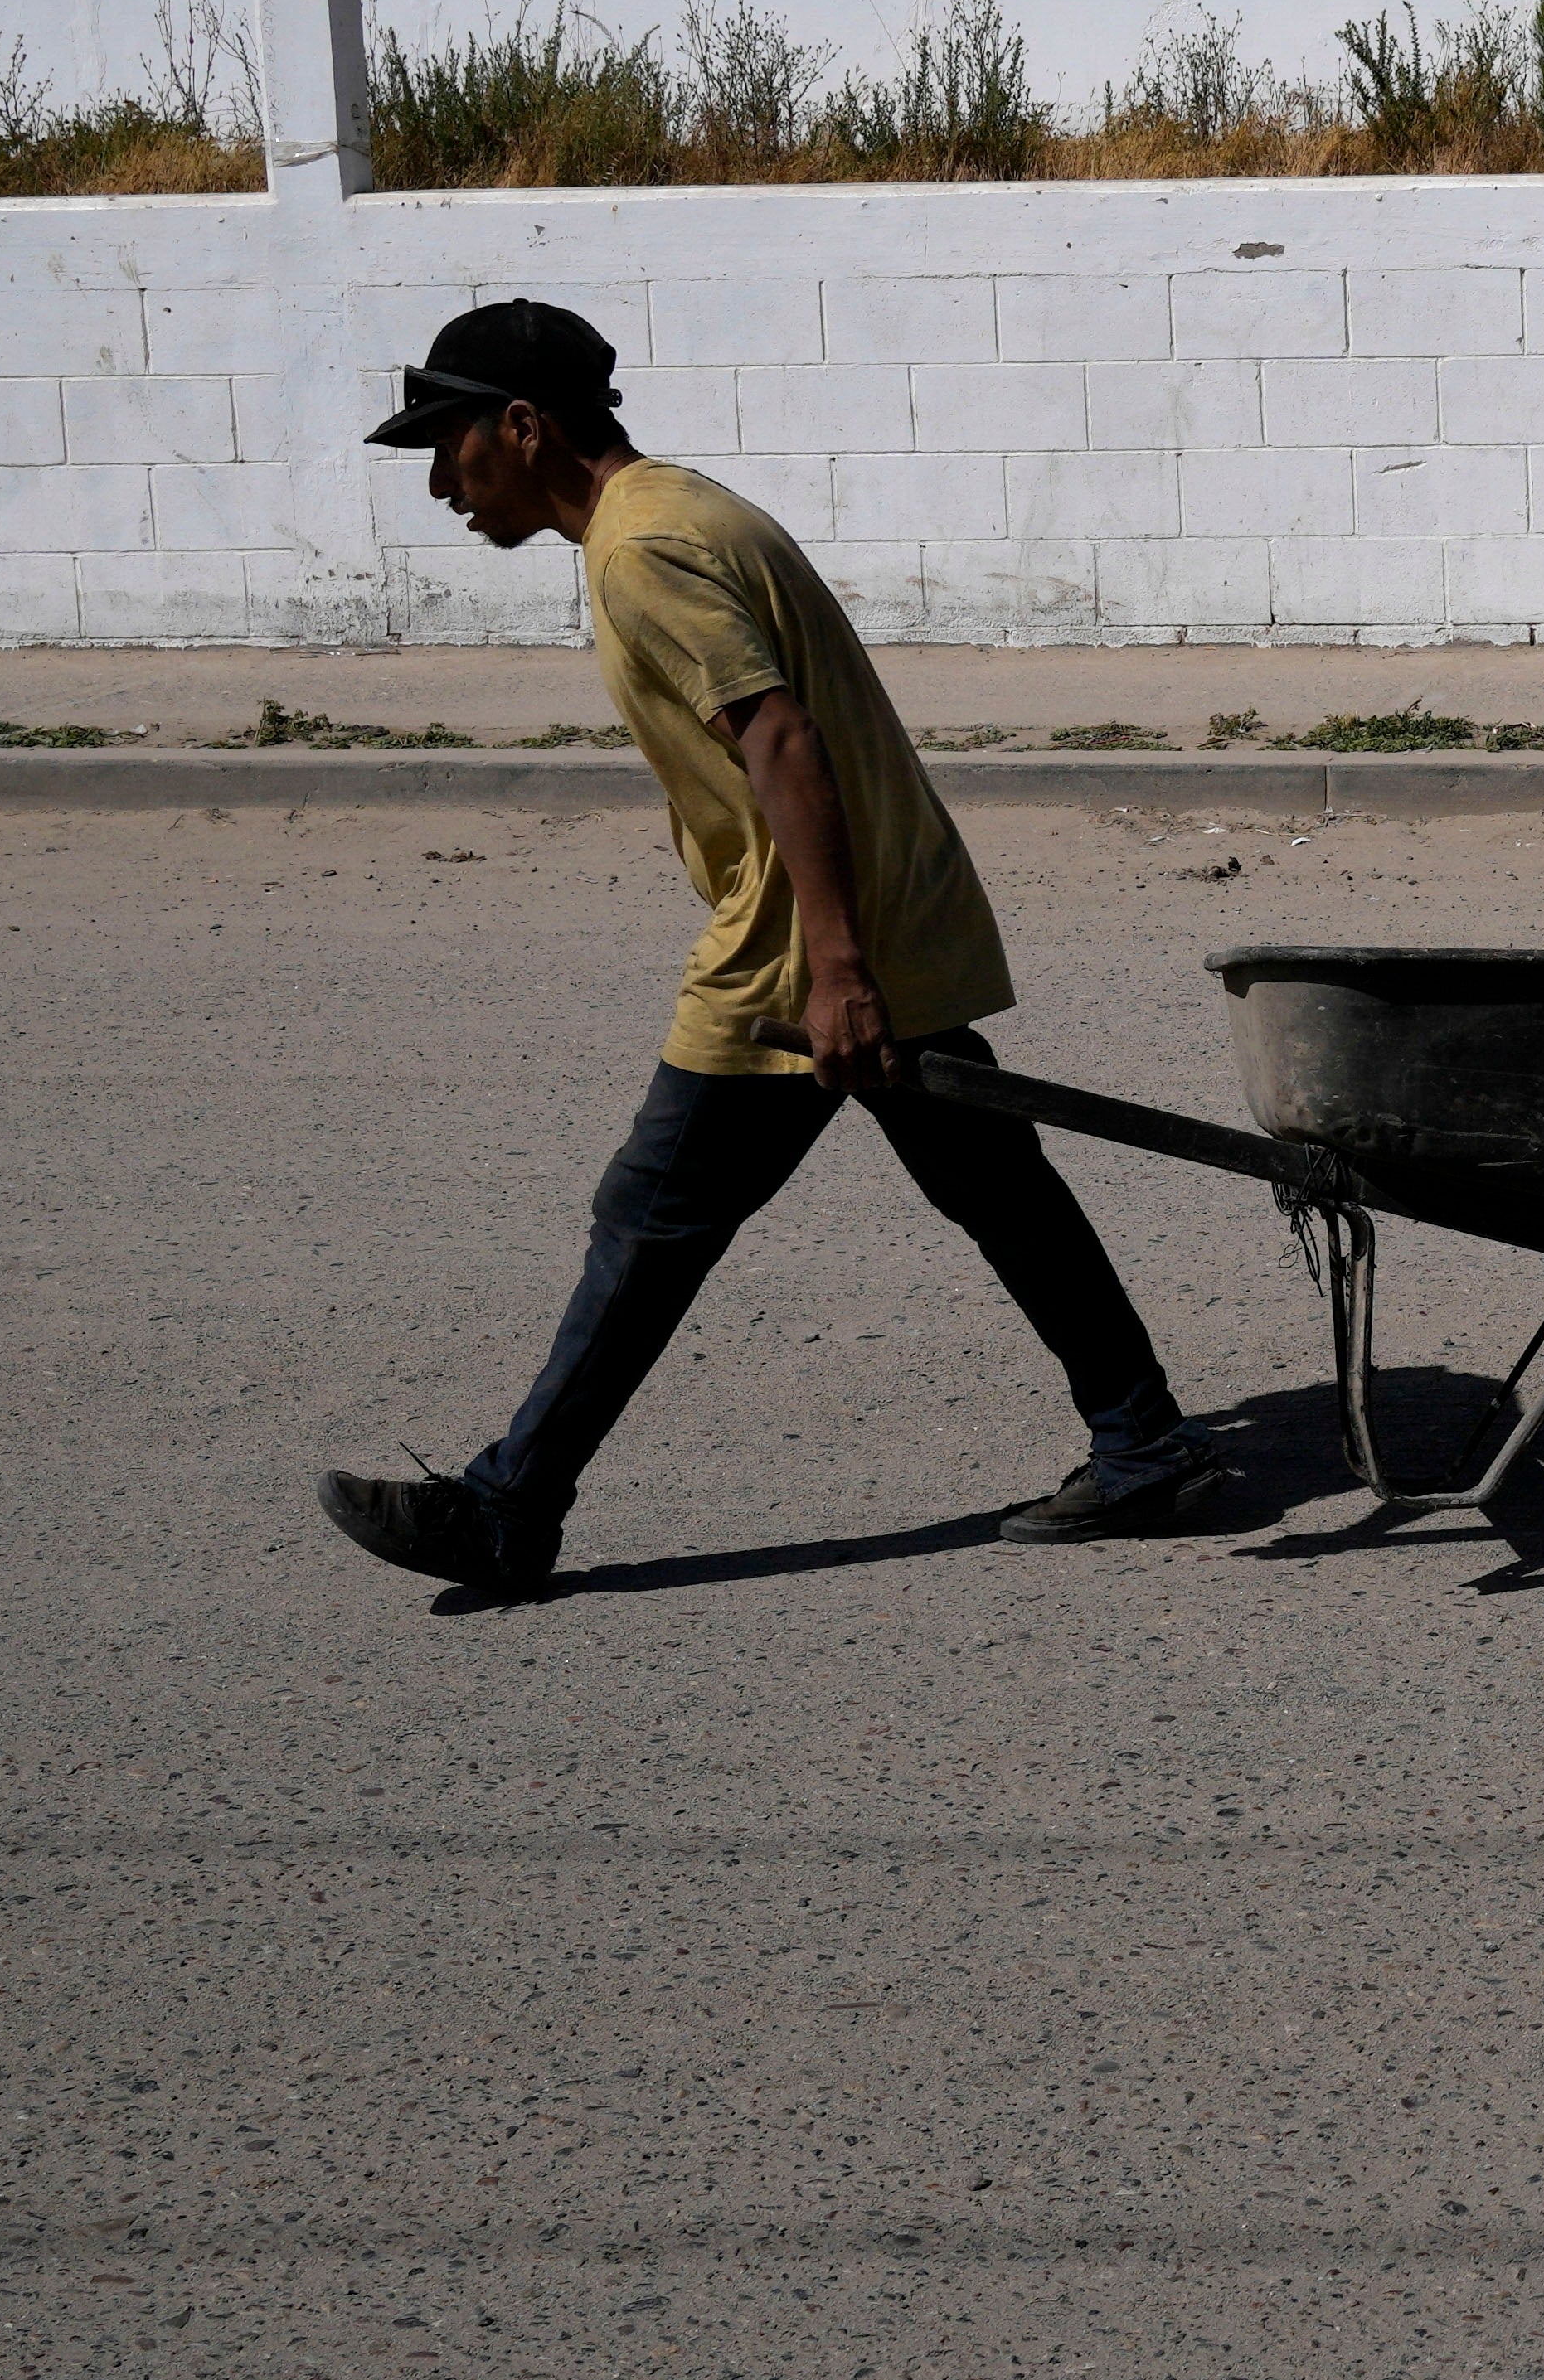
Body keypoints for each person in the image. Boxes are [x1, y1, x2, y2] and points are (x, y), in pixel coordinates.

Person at [320, 298, 1236, 1594]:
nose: (434, 481)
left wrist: (838, 968)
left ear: (522, 428)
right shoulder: (681, 509)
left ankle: (507, 1510)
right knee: (994, 1186)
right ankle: (1147, 1446)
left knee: (650, 1219)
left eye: (447, 443)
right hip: (869, 909)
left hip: (800, 946)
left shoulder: (642, 548)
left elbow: (780, 741)